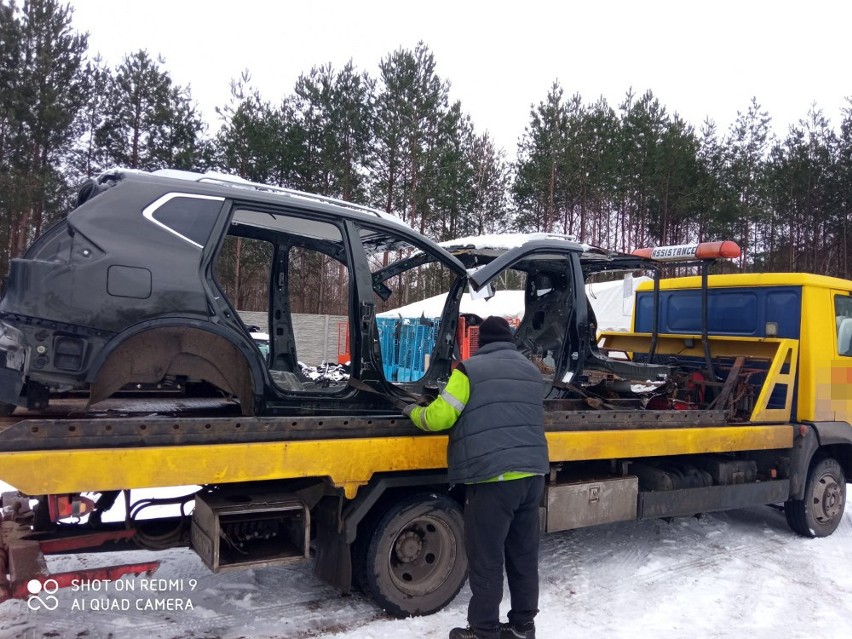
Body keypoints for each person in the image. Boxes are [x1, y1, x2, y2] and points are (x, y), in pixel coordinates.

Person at [404, 315, 549, 639]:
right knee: (523, 555)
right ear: (510, 339)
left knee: (487, 558)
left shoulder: (469, 371)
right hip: (532, 475)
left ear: (480, 341)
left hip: (492, 480)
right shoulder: (530, 371)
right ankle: (524, 626)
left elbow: (440, 417)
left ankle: (483, 631)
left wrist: (413, 411)